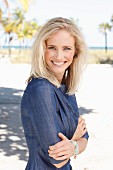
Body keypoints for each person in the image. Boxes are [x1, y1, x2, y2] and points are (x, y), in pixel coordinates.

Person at [21, 17, 89, 170]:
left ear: (75, 52)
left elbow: (85, 137)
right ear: (42, 50)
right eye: (52, 47)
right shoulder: (40, 89)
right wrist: (75, 141)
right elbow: (57, 160)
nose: (59, 56)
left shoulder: (67, 88)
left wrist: (73, 145)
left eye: (66, 48)